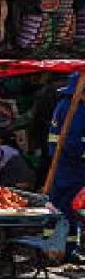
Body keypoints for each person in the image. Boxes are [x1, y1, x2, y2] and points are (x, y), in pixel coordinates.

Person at [47, 73, 85, 262]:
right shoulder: (72, 108)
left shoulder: (77, 106)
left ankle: (70, 249)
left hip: (75, 168)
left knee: (74, 211)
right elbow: (72, 142)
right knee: (62, 207)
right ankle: (53, 248)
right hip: (67, 168)